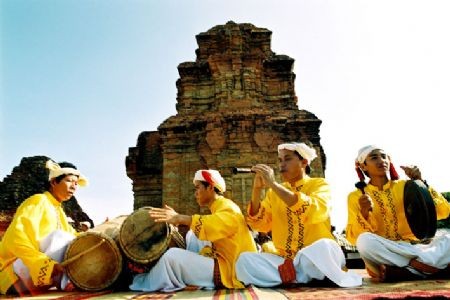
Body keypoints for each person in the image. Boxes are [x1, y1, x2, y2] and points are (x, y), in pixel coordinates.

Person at [235, 142, 362, 288]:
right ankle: (301, 276)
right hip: (287, 260)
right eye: (280, 160)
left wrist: (273, 184)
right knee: (244, 260)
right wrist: (256, 190)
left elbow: (315, 210)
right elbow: (260, 224)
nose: (282, 165)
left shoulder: (320, 185)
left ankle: (291, 276)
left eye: (287, 159)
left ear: (304, 162)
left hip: (316, 256)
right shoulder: (273, 193)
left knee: (324, 246)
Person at [129, 169, 257, 292]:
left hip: (230, 270)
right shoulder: (220, 206)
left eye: (198, 187)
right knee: (192, 235)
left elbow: (214, 224)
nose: (195, 193)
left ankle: (140, 282)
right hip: (225, 261)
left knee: (171, 257)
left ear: (210, 187)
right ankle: (190, 276)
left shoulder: (228, 207)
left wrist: (181, 218)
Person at [346, 145, 450, 282]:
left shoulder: (407, 186)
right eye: (374, 157)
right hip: (385, 252)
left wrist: (422, 183)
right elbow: (353, 238)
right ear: (363, 166)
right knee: (364, 241)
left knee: (448, 238)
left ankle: (410, 270)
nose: (381, 160)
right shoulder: (356, 196)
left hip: (416, 248)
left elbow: (444, 212)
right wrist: (364, 213)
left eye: (384, 157)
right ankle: (427, 267)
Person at [0, 160, 88, 295]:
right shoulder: (38, 200)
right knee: (59, 237)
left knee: (76, 241)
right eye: (69, 181)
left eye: (76, 183)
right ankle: (68, 282)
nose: (74, 186)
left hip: (40, 275)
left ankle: (68, 280)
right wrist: (42, 263)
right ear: (53, 182)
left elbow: (75, 238)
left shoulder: (60, 211)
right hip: (17, 271)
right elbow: (17, 237)